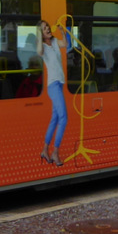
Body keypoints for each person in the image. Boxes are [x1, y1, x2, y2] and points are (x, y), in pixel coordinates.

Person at [37, 19, 72, 166]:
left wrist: (62, 32)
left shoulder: (55, 42)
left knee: (55, 118)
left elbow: (67, 44)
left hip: (60, 83)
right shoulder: (42, 47)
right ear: (41, 32)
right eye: (44, 28)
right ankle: (55, 152)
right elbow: (39, 52)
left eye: (47, 27)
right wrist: (40, 36)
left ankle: (45, 149)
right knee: (64, 118)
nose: (48, 29)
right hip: (53, 85)